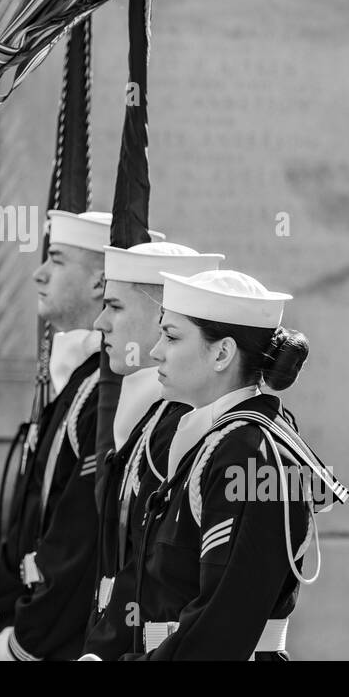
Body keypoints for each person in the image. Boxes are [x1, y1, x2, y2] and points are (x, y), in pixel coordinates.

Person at [82, 268, 349, 660]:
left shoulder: (252, 456)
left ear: (222, 353)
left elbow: (219, 629)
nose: (155, 351)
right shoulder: (216, 442)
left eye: (172, 336)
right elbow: (148, 579)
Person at [0, 210, 163, 660]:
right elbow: (40, 527)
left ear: (100, 283)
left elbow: (79, 544)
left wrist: (24, 641)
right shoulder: (84, 383)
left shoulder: (114, 392)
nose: (38, 274)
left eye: (58, 260)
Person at [81, 242, 222, 660]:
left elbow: (174, 580)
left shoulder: (187, 427)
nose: (100, 322)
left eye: (115, 306)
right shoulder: (154, 420)